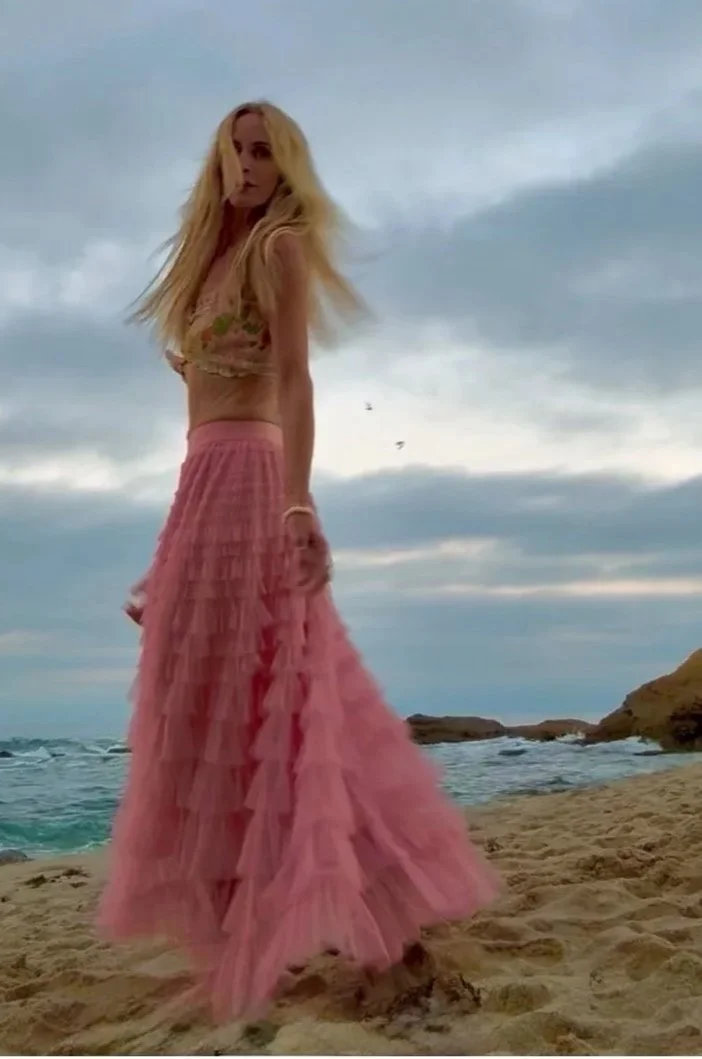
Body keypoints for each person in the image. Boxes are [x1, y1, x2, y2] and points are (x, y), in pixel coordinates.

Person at [98, 100, 498, 1022]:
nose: (248, 166)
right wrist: (174, 557)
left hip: (253, 476)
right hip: (203, 484)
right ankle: (261, 912)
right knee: (214, 694)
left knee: (284, 695)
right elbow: (208, 404)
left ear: (287, 167)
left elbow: (293, 380)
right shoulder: (209, 263)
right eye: (236, 150)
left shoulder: (278, 248)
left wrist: (296, 499)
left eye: (265, 153)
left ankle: (382, 921)